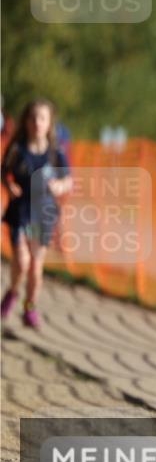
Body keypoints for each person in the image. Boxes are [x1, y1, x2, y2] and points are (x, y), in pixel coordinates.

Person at [1, 99, 73, 328]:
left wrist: (59, 187)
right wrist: (8, 185)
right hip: (20, 212)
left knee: (35, 266)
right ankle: (13, 292)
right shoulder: (17, 150)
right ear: (26, 121)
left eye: (42, 118)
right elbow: (4, 172)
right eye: (32, 118)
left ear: (49, 122)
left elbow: (68, 180)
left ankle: (29, 307)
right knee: (21, 262)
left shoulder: (54, 153)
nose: (37, 123)